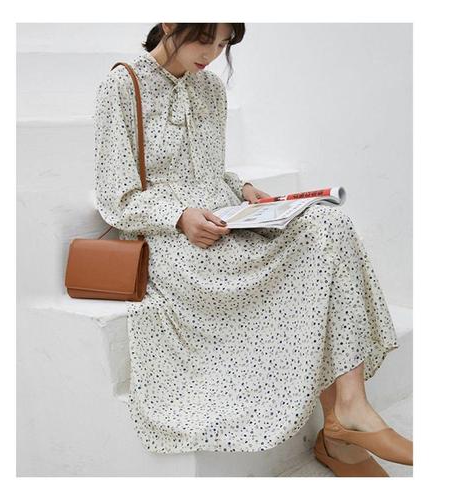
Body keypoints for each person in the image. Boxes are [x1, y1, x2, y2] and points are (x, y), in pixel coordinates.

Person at [94, 22, 412, 476]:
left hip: (223, 219)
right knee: (308, 264)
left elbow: (209, 171)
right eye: (204, 39)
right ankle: (340, 434)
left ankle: (350, 407)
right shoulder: (121, 86)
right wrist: (179, 216)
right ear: (169, 23)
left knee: (328, 224)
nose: (212, 54)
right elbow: (116, 196)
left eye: (223, 44)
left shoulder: (210, 89)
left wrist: (241, 189)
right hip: (172, 241)